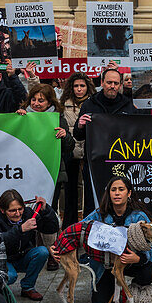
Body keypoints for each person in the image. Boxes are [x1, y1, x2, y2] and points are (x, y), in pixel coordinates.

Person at [83, 175, 152, 303]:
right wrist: (59, 246)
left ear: (129, 193)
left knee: (149, 273)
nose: (117, 193)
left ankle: (133, 287)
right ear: (109, 193)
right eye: (113, 190)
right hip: (105, 267)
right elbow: (78, 229)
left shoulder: (139, 217)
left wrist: (139, 258)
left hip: (130, 263)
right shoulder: (99, 215)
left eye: (121, 189)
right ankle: (115, 287)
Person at [73, 67, 138, 213]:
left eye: (116, 83)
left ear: (120, 85)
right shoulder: (89, 104)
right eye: (109, 82)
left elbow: (137, 133)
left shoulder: (128, 105)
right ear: (102, 83)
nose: (112, 86)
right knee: (94, 200)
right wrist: (80, 125)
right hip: (95, 163)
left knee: (120, 200)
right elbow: (78, 135)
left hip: (121, 162)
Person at [0, 190, 53, 301]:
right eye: (12, 211)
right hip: (3, 260)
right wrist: (20, 229)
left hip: (22, 256)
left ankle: (28, 287)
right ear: (2, 210)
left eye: (20, 209)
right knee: (11, 276)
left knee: (42, 252)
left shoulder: (28, 213)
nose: (18, 213)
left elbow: (51, 228)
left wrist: (46, 210)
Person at [61, 74, 96, 226]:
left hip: (89, 151)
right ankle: (69, 225)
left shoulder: (94, 103)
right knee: (70, 190)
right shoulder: (63, 104)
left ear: (88, 87)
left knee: (88, 190)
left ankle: (87, 223)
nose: (79, 89)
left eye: (82, 86)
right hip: (71, 151)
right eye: (76, 86)